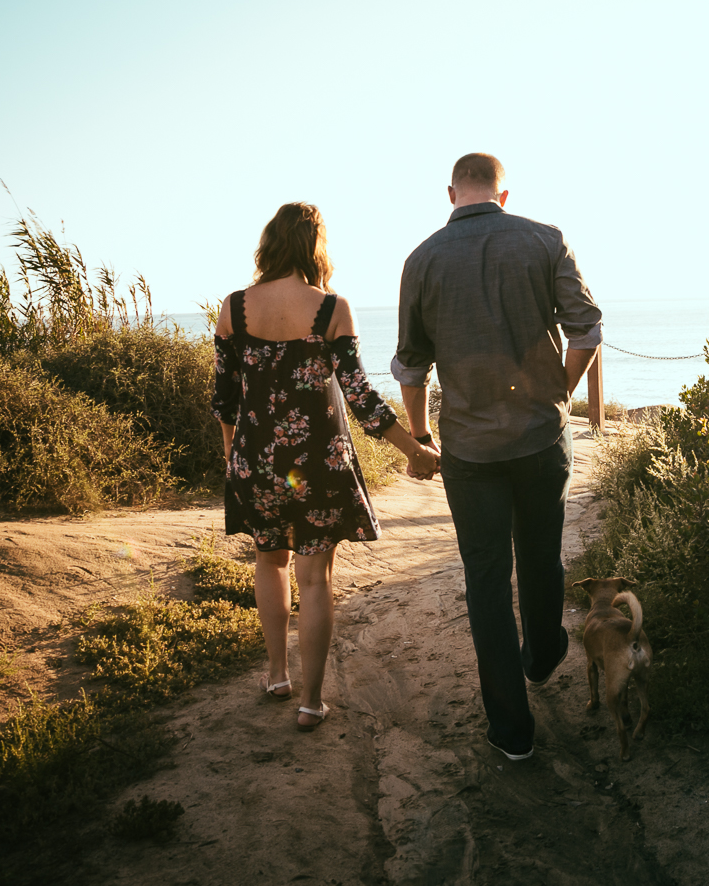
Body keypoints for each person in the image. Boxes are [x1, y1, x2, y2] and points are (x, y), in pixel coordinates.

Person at [392, 152, 603, 760]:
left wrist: (419, 434)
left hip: (468, 449)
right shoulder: (544, 240)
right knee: (540, 553)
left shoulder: (422, 259)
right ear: (503, 195)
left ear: (451, 193)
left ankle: (512, 733)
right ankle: (541, 657)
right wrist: (561, 391)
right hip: (540, 435)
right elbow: (585, 329)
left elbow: (410, 365)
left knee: (485, 580)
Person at [213, 202, 440, 732]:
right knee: (315, 580)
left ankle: (276, 674)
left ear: (269, 244)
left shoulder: (234, 308)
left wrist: (234, 458)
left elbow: (224, 401)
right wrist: (413, 448)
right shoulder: (331, 307)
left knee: (269, 562)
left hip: (256, 463)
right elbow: (360, 397)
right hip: (318, 464)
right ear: (317, 247)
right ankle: (312, 702)